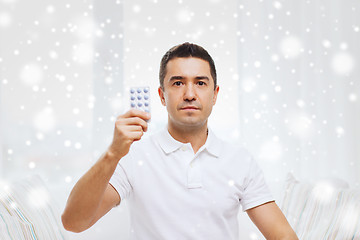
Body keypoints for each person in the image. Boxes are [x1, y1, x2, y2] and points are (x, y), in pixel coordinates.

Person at [62, 42, 298, 239]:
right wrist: (113, 153)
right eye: (178, 83)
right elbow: (74, 222)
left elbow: (283, 236)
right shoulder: (133, 156)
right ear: (162, 95)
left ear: (215, 94)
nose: (189, 94)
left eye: (200, 82)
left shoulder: (239, 161)